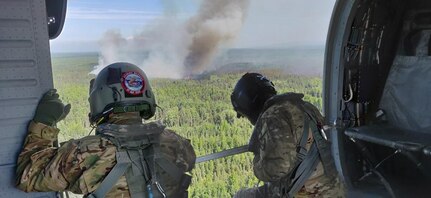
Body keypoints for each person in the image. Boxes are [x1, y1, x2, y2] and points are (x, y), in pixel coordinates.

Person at [16, 62, 196, 198]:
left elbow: (27, 177)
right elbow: (189, 160)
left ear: (98, 100)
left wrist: (45, 122)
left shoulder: (85, 153)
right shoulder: (175, 143)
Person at [231, 73, 343, 198]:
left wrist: (258, 165)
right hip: (333, 186)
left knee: (240, 196)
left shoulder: (272, 116)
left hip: (310, 192)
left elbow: (279, 168)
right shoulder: (304, 106)